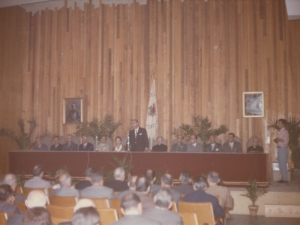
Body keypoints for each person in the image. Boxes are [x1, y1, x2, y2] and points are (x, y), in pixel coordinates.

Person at [274, 119, 289, 183]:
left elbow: (282, 140)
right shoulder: (280, 131)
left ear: (283, 124)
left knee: (282, 164)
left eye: (280, 123)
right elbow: (277, 140)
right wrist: (278, 140)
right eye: (278, 123)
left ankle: (284, 179)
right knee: (280, 163)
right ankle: (283, 178)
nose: (278, 124)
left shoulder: (284, 131)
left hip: (283, 148)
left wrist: (278, 140)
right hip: (280, 148)